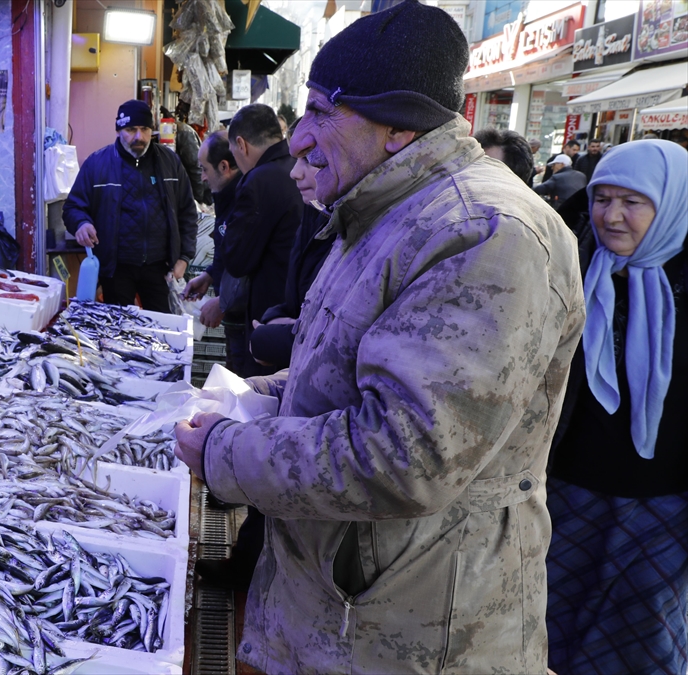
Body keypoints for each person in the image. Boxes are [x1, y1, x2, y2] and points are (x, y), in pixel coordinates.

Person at [172, 1, 586, 672]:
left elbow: (407, 452)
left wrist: (227, 450)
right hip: (340, 612)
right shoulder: (382, 209)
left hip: (410, 636)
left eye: (323, 112)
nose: (299, 139)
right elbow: (336, 367)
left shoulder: (484, 233)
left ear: (396, 127)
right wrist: (245, 392)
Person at [545, 139, 688, 675]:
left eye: (633, 202)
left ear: (672, 203)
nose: (611, 216)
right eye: (602, 199)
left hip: (662, 507)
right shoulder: (570, 268)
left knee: (640, 642)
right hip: (565, 491)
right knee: (548, 627)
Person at [63, 100, 197, 313]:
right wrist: (81, 223)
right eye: (130, 129)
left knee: (161, 332)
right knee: (119, 332)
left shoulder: (170, 162)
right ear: (118, 130)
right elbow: (72, 208)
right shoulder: (97, 164)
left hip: (160, 269)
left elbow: (187, 212)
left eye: (144, 129)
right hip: (116, 269)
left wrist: (184, 258)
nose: (138, 137)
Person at [218, 102, 304, 378]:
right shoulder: (297, 168)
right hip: (297, 311)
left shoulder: (257, 181)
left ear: (241, 144)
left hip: (267, 317)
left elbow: (238, 259)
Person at [248, 158, 334, 369]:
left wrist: (271, 337)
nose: (295, 172)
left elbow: (335, 339)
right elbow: (294, 301)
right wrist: (274, 320)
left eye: (310, 160)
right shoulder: (314, 212)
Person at [184, 132, 247, 373]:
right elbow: (226, 249)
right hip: (234, 315)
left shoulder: (246, 198)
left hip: (246, 321)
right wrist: (210, 275)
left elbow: (249, 264)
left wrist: (223, 302)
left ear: (224, 167)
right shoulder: (225, 195)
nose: (201, 178)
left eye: (204, 169)